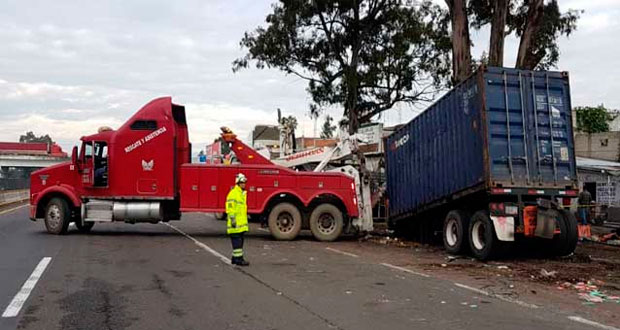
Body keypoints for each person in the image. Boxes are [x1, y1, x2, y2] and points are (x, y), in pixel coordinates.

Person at [226, 173, 249, 266]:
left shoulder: (241, 194)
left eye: (244, 182)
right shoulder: (234, 194)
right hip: (235, 224)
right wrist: (232, 219)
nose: (244, 184)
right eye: (242, 182)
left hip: (240, 224)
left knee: (239, 242)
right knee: (237, 243)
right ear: (238, 183)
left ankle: (235, 258)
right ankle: (239, 259)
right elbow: (230, 208)